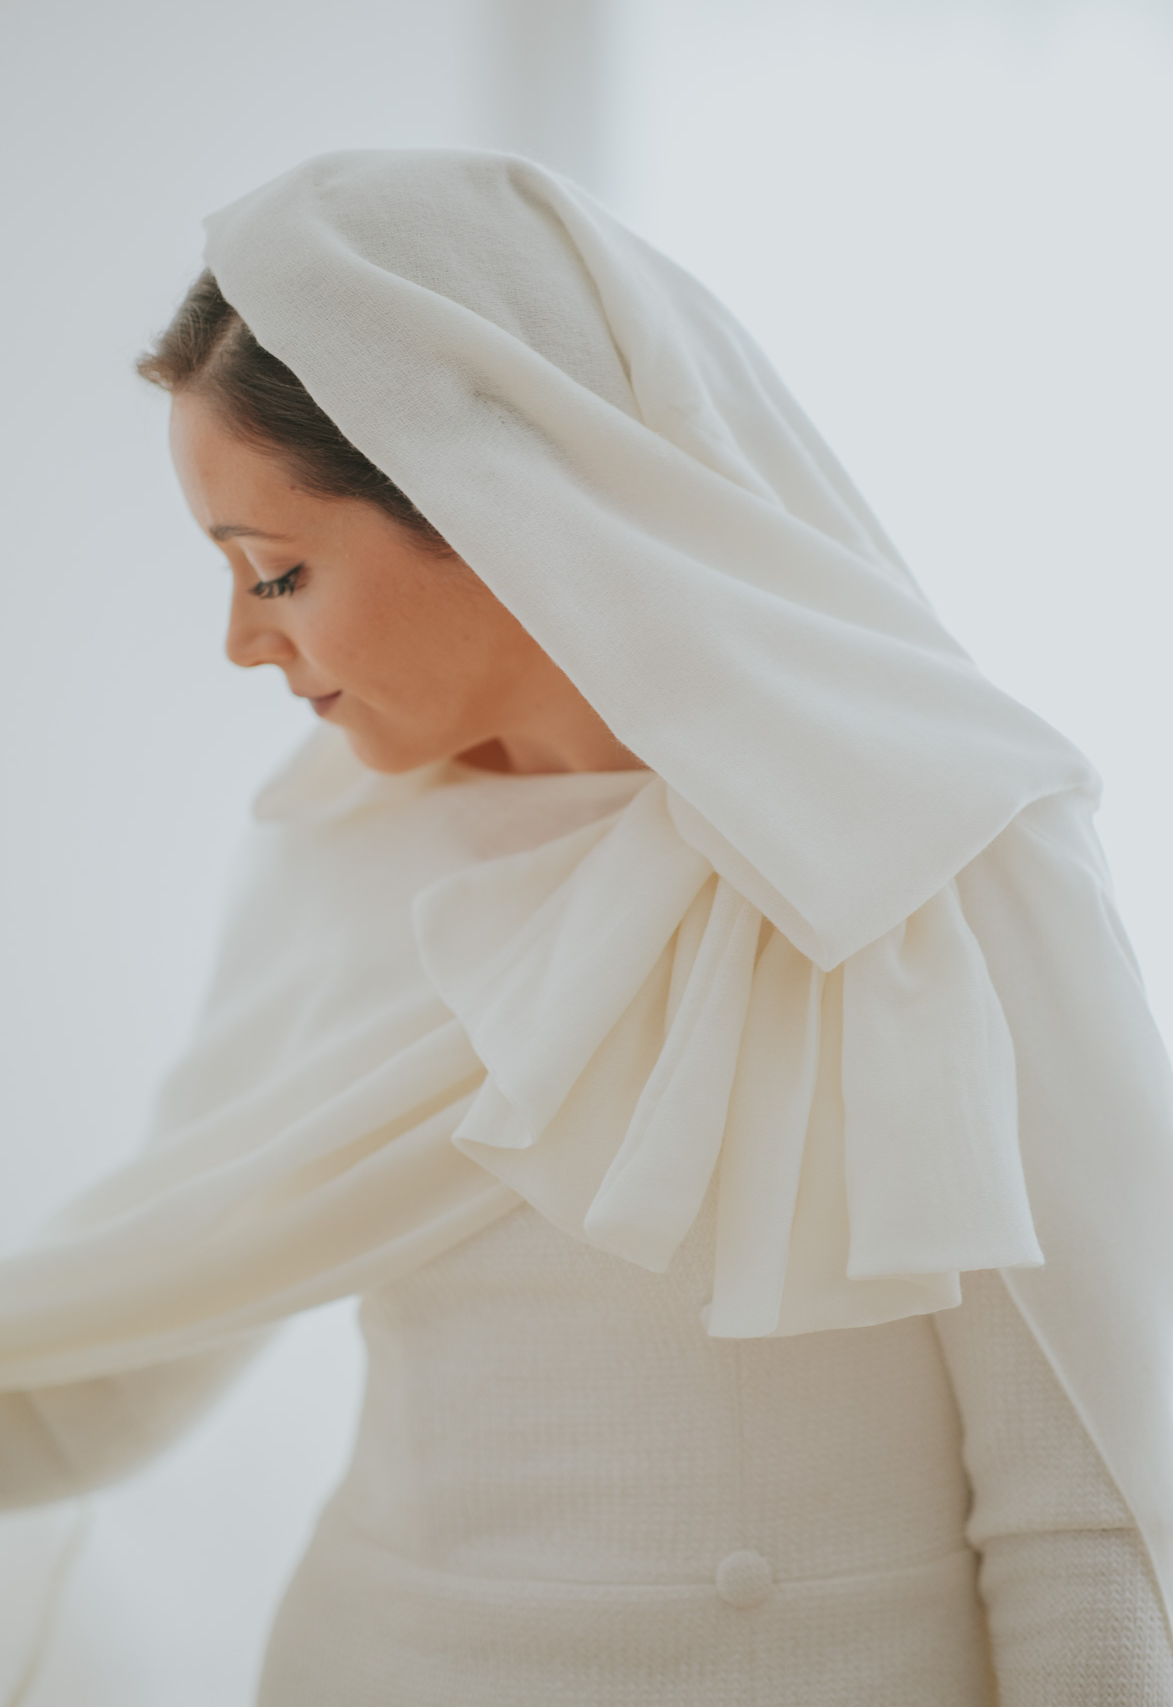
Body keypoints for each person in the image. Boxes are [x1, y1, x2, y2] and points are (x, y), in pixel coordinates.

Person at [1, 149, 1172, 1705]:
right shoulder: (329, 854)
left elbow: (1084, 1494)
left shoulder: (938, 842)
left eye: (275, 571)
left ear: (496, 499)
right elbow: (140, 1338)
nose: (239, 642)